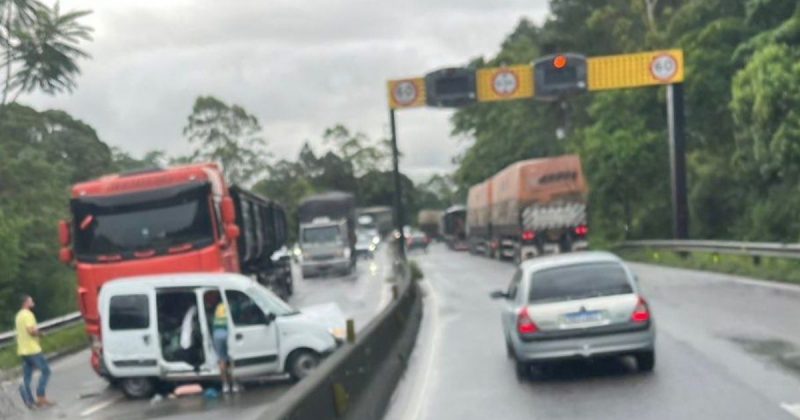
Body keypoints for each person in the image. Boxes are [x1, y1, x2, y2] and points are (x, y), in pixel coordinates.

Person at [16, 295, 54, 408]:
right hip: (32, 349)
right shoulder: (28, 314)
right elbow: (30, 330)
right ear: (26, 303)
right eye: (31, 300)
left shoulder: (18, 315)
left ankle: (28, 400)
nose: (33, 302)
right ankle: (41, 397)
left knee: (27, 376)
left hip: (23, 350)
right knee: (46, 371)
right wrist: (40, 334)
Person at [210, 293, 239, 393]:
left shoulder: (218, 307)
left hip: (217, 335)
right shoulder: (230, 306)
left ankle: (225, 385)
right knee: (231, 359)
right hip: (227, 334)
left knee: (221, 360)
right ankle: (234, 384)